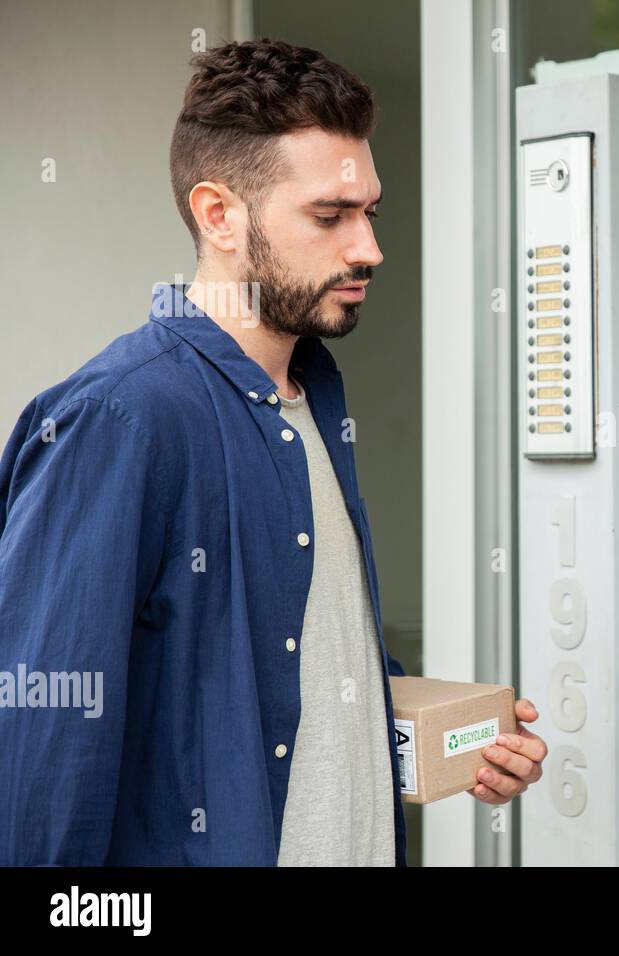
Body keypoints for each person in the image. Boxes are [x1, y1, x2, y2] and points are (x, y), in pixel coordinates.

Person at [0, 38, 546, 866]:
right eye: (330, 217)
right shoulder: (117, 419)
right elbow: (43, 759)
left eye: (369, 213)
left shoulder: (315, 395)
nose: (369, 249)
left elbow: (296, 668)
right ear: (219, 214)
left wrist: (458, 740)